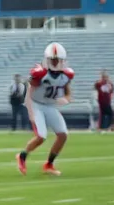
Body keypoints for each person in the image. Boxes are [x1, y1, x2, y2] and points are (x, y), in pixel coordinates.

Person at [17, 43, 73, 175]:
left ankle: (49, 164)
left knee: (63, 135)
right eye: (52, 60)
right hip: (37, 105)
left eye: (57, 60)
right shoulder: (40, 73)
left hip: (50, 105)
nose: (55, 63)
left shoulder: (67, 74)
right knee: (41, 136)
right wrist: (30, 109)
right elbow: (29, 89)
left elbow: (68, 92)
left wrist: (66, 99)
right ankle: (22, 156)